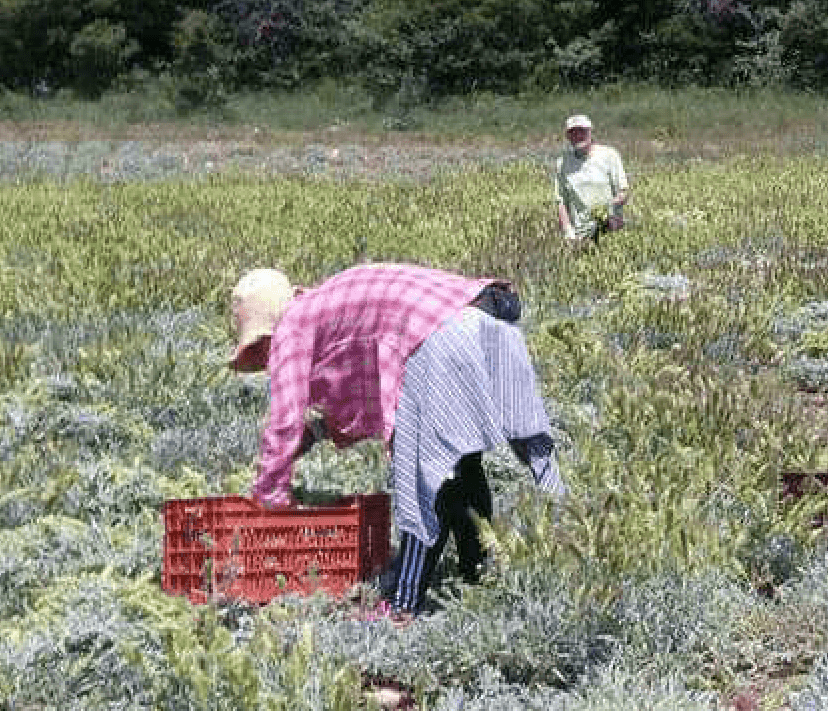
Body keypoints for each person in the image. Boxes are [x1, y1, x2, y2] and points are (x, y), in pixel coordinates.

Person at [227, 263, 566, 616]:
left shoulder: (292, 325)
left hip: (442, 335)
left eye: (260, 350)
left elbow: (284, 422)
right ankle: (482, 574)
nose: (265, 359)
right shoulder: (329, 306)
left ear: (266, 330)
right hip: (488, 313)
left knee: (423, 475)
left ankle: (403, 606)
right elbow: (361, 395)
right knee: (466, 463)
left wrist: (268, 501)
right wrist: (316, 434)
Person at [555, 114, 631, 242]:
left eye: (582, 131)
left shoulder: (609, 155)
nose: (578, 136)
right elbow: (561, 202)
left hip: (611, 228)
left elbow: (623, 192)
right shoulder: (562, 163)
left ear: (590, 132)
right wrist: (568, 232)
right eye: (573, 132)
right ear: (568, 136)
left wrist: (607, 208)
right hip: (580, 234)